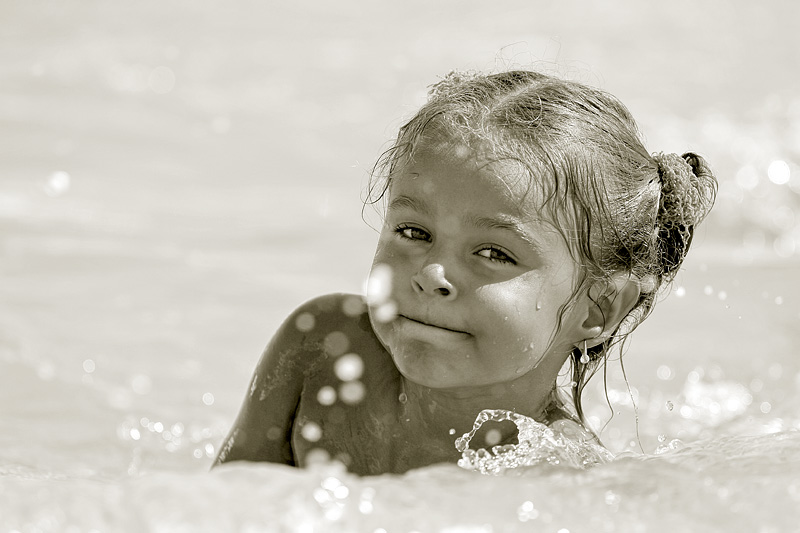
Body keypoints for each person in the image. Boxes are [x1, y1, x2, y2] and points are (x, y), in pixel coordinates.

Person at [212, 70, 717, 475]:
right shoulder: (323, 346)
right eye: (413, 232)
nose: (432, 274)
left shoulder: (554, 477)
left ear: (597, 309)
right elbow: (222, 507)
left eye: (494, 254)